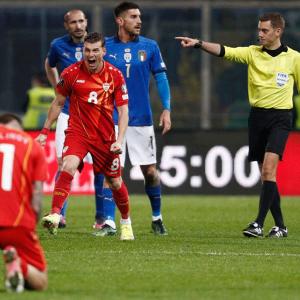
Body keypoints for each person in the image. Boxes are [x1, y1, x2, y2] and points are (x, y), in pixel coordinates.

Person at [176, 12, 300, 238]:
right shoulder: (253, 53)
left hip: (281, 118)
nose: (259, 34)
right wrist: (199, 44)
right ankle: (281, 226)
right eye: (259, 29)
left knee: (268, 170)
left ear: (278, 31)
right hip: (258, 118)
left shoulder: (294, 58)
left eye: (264, 30)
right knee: (266, 176)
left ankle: (258, 224)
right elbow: (225, 51)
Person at [36, 32, 134, 241]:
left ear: (103, 52)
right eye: (87, 50)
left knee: (115, 182)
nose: (90, 55)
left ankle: (126, 222)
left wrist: (119, 140)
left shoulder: (115, 75)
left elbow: (124, 111)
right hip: (77, 132)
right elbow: (58, 102)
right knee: (68, 165)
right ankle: (55, 213)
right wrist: (45, 131)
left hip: (105, 136)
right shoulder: (71, 73)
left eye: (95, 50)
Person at [93, 1, 171, 236]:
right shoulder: (104, 47)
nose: (139, 21)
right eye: (134, 16)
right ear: (120, 20)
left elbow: (161, 78)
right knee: (112, 171)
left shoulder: (150, 46)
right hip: (110, 119)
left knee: (150, 172)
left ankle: (156, 217)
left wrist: (166, 108)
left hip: (141, 119)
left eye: (140, 17)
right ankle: (109, 222)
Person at [45, 9, 104, 228]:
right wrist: (57, 87)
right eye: (73, 22)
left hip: (97, 114)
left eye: (81, 21)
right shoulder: (57, 46)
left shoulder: (99, 44)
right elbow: (49, 64)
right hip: (69, 114)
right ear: (66, 25)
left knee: (101, 167)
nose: (78, 26)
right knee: (63, 164)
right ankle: (59, 214)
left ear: (87, 22)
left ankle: (101, 218)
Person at [0, 113, 48, 292]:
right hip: (16, 223)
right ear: (18, 127)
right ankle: (19, 265)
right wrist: (31, 226)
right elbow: (36, 202)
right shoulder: (31, 145)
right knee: (40, 281)